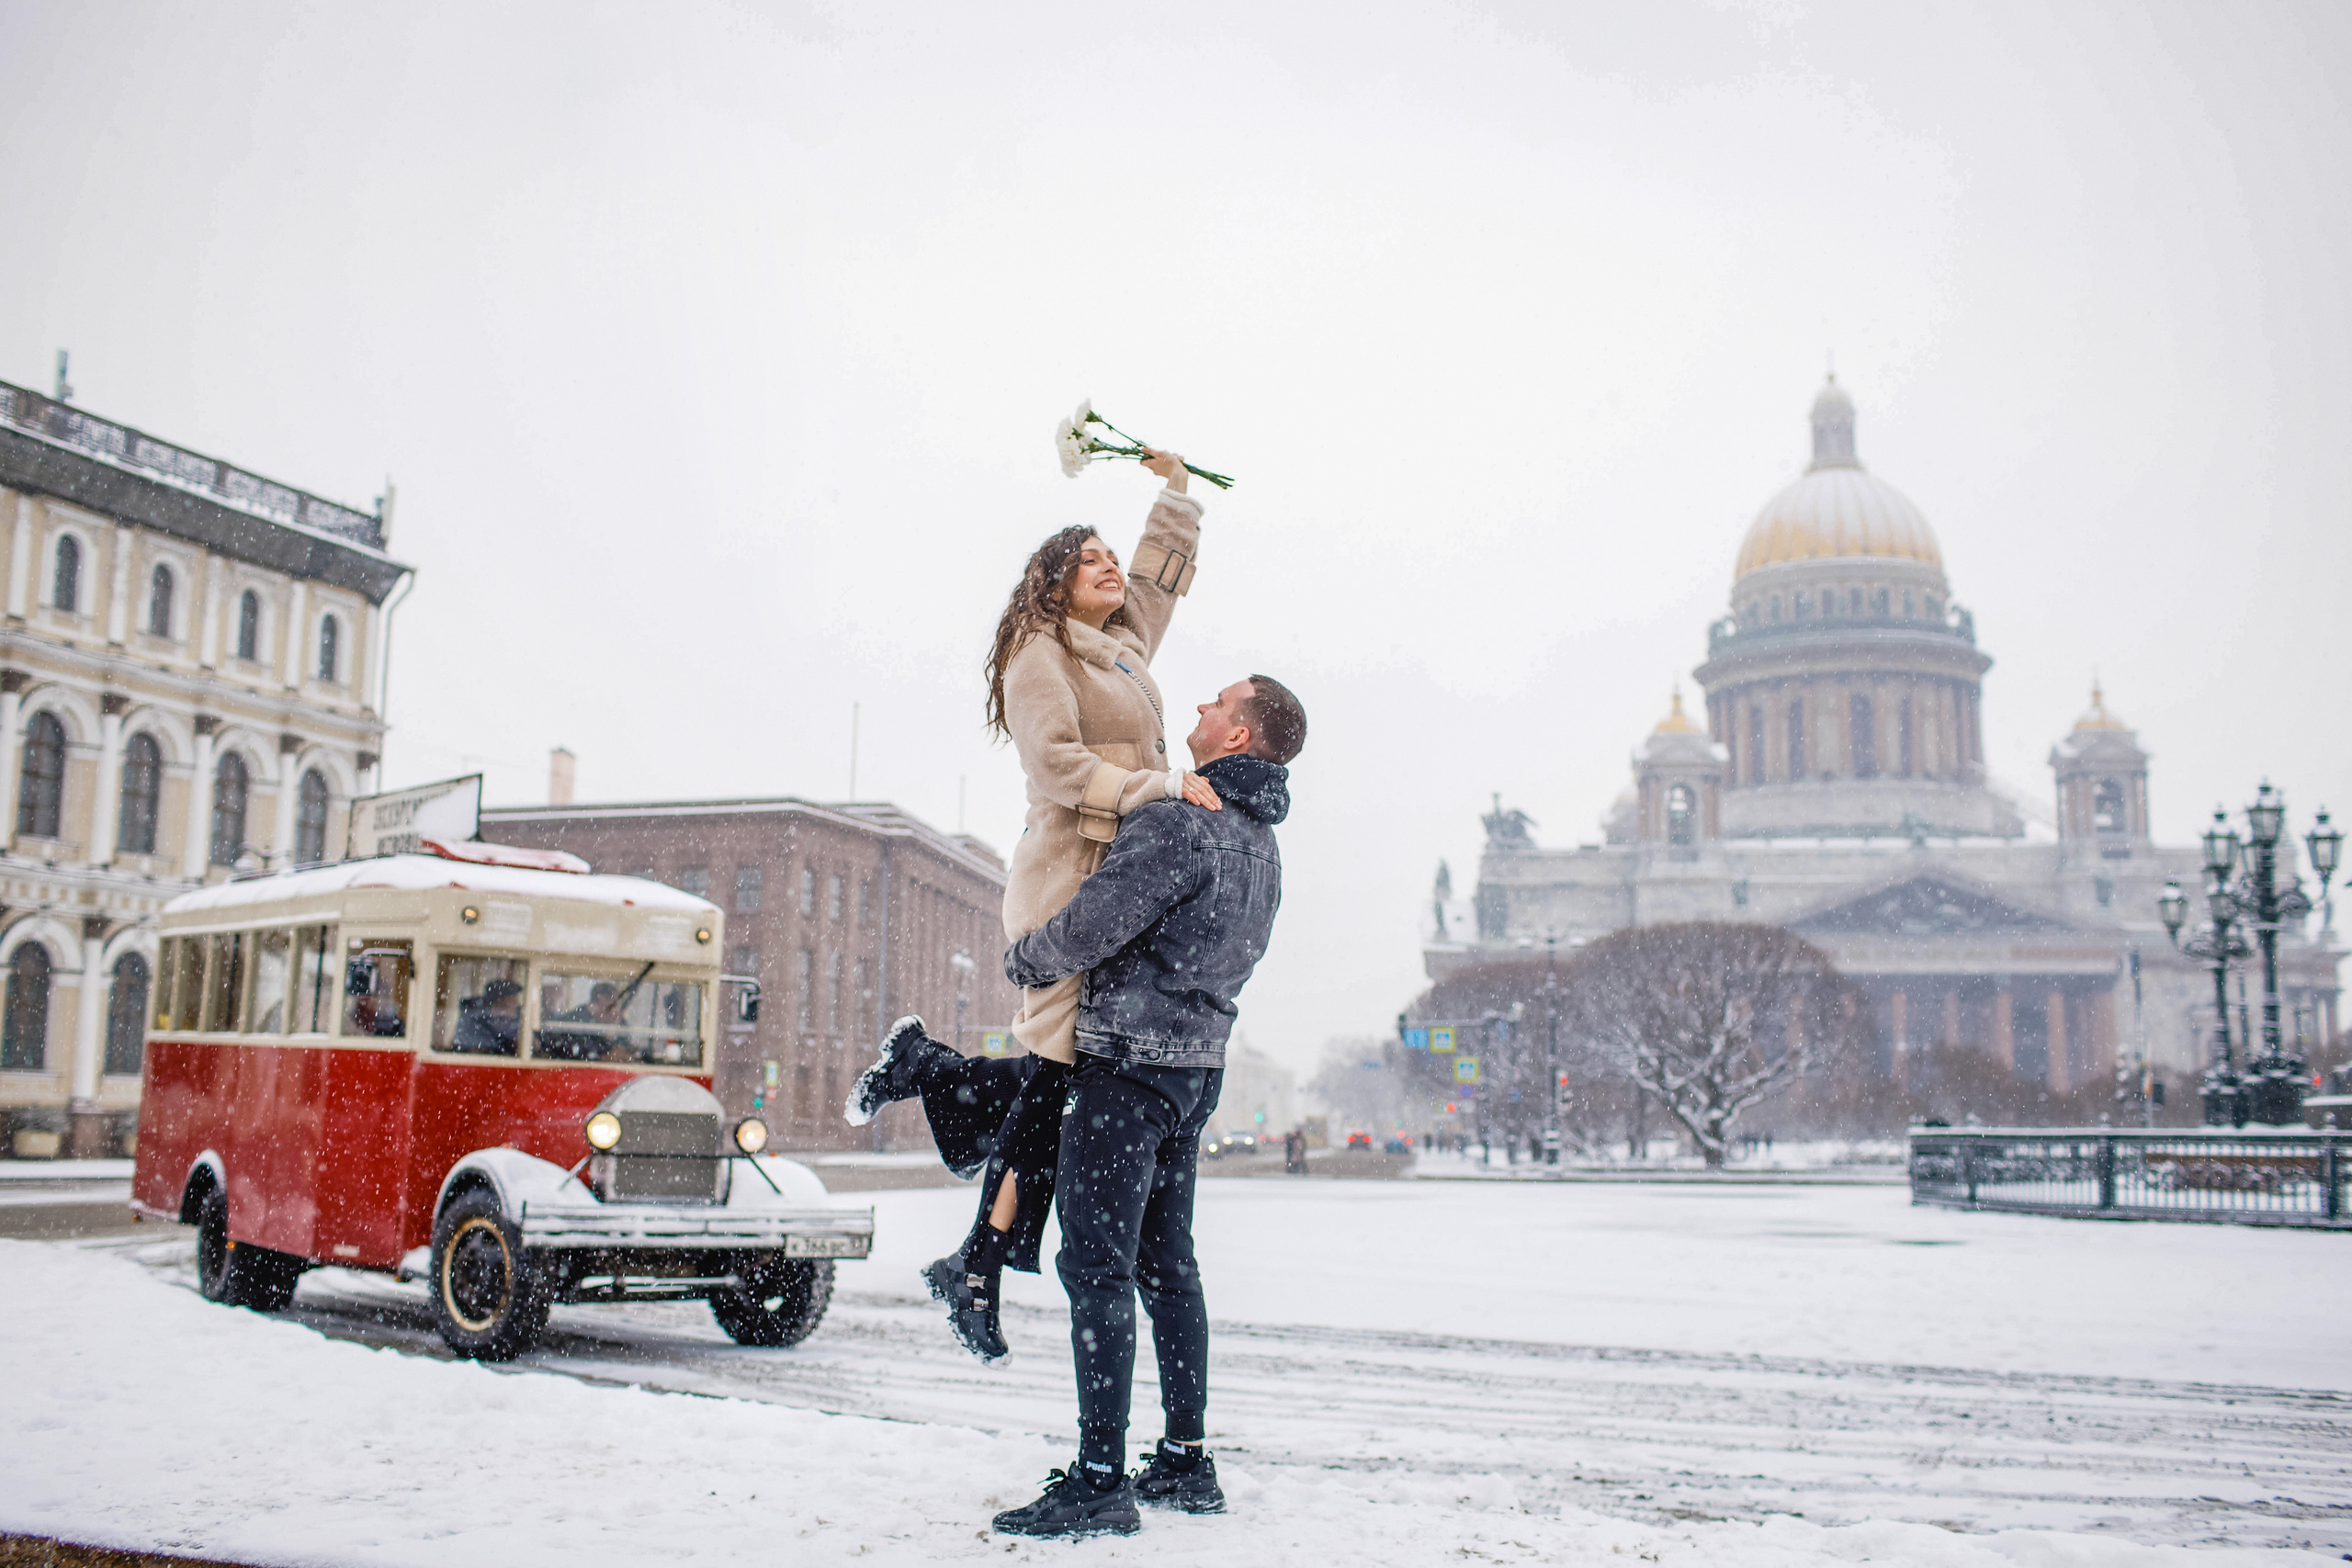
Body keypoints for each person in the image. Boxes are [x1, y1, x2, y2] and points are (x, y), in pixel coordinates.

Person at [843, 448, 1217, 1361]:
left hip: (1113, 882)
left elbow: (1159, 587)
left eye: (1107, 557)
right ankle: (971, 1256)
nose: (1107, 567)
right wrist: (1157, 789)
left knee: (1065, 1083)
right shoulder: (1036, 655)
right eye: (1087, 558)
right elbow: (1054, 766)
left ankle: (938, 1107)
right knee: (1061, 1080)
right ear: (1052, 584)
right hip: (1064, 885)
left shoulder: (1119, 648)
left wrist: (1174, 496)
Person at [988, 672, 1306, 1540]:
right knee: (1169, 1265)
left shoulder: (1180, 820)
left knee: (1096, 1267)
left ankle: (1099, 1479)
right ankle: (1186, 1457)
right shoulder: (1264, 846)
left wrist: (1024, 956)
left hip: (1126, 1071)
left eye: (1217, 703)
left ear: (1238, 736)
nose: (1198, 708)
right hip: (1195, 1075)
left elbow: (1093, 924)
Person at [449, 977, 524, 1055]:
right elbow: (468, 1047)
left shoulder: (514, 1020)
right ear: (500, 1001)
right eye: (512, 999)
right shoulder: (474, 1020)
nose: (516, 1004)